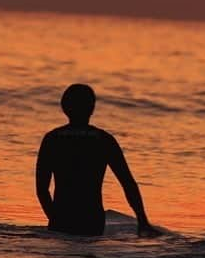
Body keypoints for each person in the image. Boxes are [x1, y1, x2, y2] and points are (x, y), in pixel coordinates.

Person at [35, 83, 161, 237]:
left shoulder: (52, 139)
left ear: (64, 107)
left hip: (62, 217)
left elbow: (42, 189)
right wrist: (142, 221)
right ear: (92, 108)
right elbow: (127, 183)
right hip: (92, 218)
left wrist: (55, 217)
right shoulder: (104, 140)